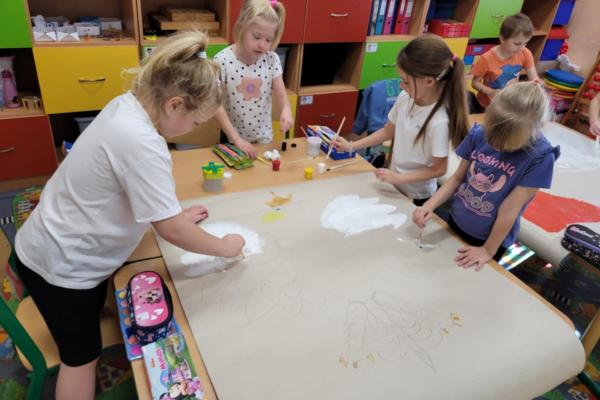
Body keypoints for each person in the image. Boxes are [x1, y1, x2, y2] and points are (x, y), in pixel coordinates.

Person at [14, 31, 245, 400]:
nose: (193, 128)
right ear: (174, 105)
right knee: (81, 360)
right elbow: (171, 230)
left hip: (48, 242)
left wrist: (170, 214)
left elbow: (131, 193)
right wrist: (224, 247)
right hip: (60, 268)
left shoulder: (127, 105)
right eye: (194, 120)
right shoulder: (142, 142)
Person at [413, 82, 560, 270]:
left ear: (537, 128)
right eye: (492, 139)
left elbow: (509, 209)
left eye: (507, 145)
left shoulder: (540, 157)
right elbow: (457, 179)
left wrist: (488, 250)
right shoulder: (479, 133)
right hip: (458, 219)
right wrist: (429, 205)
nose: (497, 147)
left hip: (490, 239)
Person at [333, 34, 470, 206]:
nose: (400, 85)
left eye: (406, 81)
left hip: (418, 195)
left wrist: (399, 178)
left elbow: (438, 169)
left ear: (429, 81)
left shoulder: (439, 121)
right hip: (395, 185)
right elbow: (387, 131)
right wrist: (351, 146)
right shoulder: (405, 97)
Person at [213, 0, 292, 157]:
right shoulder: (222, 61)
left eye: (268, 40)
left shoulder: (271, 59)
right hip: (233, 140)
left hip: (264, 138)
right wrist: (236, 140)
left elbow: (282, 95)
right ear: (241, 28)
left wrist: (286, 110)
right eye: (256, 37)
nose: (262, 45)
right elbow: (215, 105)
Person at [469, 13, 540, 113]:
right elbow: (475, 83)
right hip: (486, 106)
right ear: (502, 39)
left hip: (509, 105)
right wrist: (491, 92)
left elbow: (534, 80)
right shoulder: (486, 58)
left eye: (525, 43)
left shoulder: (525, 53)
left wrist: (536, 84)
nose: (521, 48)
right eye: (517, 43)